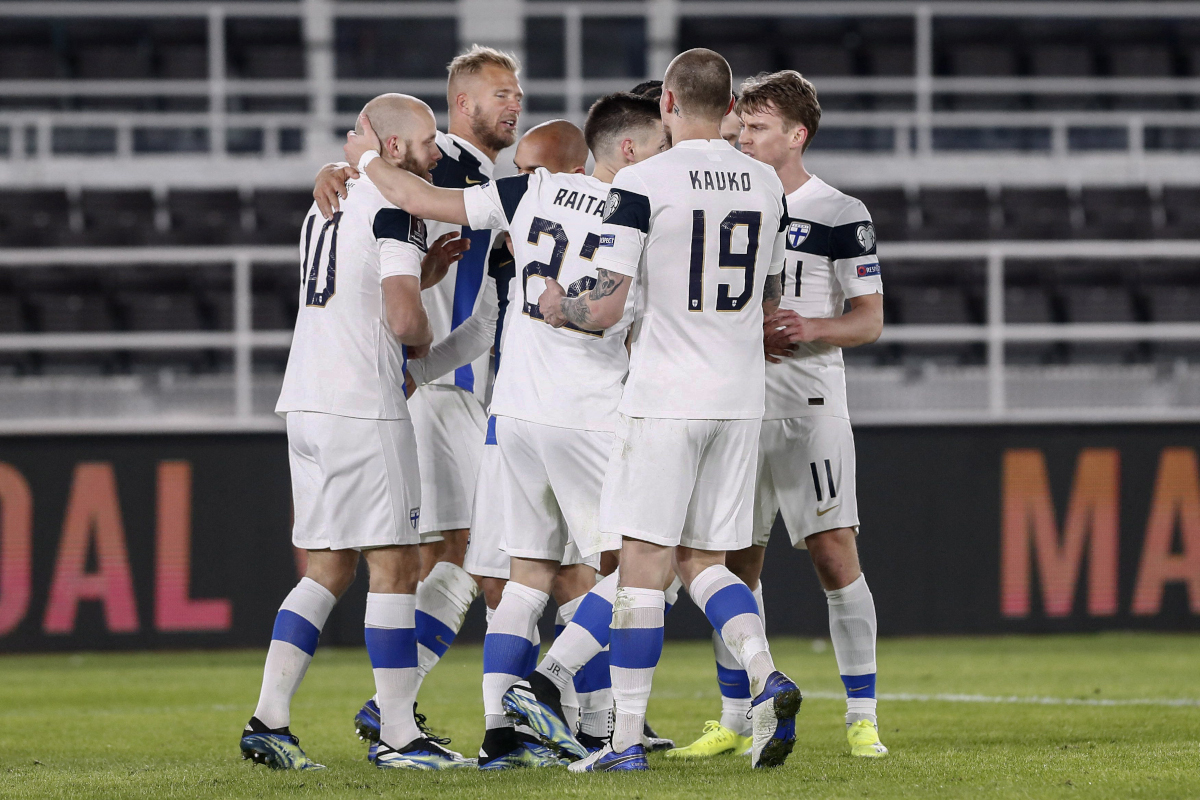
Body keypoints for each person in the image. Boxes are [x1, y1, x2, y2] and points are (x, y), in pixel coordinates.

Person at [344, 93, 669, 770]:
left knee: (524, 578)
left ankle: (501, 735)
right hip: (588, 412)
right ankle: (550, 684)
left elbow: (418, 199)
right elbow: (618, 315)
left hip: (514, 414)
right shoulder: (637, 209)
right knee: (645, 568)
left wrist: (362, 161)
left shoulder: (527, 195)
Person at [534, 48, 801, 774]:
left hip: (664, 396)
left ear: (669, 105)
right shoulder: (766, 182)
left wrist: (561, 307)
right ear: (732, 108)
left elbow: (607, 305)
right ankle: (765, 675)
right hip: (738, 399)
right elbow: (771, 297)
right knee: (706, 563)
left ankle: (623, 741)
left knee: (644, 566)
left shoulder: (642, 181)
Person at [239, 93, 471, 772]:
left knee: (329, 568)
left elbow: (356, 286)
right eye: (426, 140)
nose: (435, 151)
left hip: (307, 402)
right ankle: (398, 735)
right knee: (396, 565)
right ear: (393, 147)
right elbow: (401, 318)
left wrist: (427, 272)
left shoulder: (328, 200)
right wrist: (421, 339)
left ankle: (269, 721)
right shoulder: (397, 207)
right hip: (362, 404)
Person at [671, 69, 889, 761]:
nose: (744, 136)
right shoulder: (732, 197)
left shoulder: (839, 211)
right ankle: (738, 717)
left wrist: (809, 327)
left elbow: (869, 320)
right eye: (741, 126)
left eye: (758, 127)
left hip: (808, 402)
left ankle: (862, 717)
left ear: (797, 135)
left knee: (832, 551)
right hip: (736, 403)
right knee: (733, 564)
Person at [314, 45, 524, 749]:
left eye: (517, 92)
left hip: (453, 386)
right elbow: (383, 173)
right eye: (500, 93)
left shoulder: (483, 180)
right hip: (431, 389)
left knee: (461, 556)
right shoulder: (442, 167)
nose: (514, 104)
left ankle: (399, 708)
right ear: (462, 104)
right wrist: (345, 166)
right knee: (478, 557)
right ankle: (491, 718)